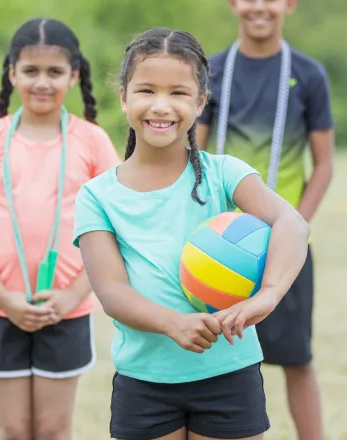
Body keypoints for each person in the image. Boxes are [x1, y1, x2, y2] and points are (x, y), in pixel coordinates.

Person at [73, 27, 311, 440]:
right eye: (146, 90)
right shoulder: (98, 195)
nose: (161, 106)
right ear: (123, 97)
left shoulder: (225, 175)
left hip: (228, 373)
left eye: (178, 93)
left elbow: (292, 223)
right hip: (144, 380)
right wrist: (172, 324)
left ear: (201, 102)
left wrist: (268, 294)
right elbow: (112, 292)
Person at [0, 18, 120, 440]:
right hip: (1, 306)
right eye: (30, 71)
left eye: (54, 72)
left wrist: (72, 295)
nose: (41, 82)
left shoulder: (92, 141)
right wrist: (4, 297)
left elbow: (111, 234)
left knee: (51, 429)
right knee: (14, 428)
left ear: (74, 75)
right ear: (12, 73)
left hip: (65, 308)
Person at [196, 1, 334, 438]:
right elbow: (192, 160)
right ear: (233, 4)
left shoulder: (308, 75)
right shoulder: (212, 72)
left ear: (289, 4)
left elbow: (324, 164)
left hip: (286, 249)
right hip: (220, 251)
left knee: (297, 359)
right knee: (213, 360)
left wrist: (295, 228)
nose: (259, 6)